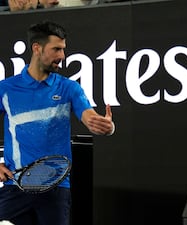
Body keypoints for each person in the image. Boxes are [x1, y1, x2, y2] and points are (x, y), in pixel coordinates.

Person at [0, 21, 115, 225]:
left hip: (56, 189)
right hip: (14, 188)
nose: (62, 56)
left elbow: (89, 116)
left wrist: (105, 126)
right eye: (56, 49)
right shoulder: (6, 89)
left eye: (63, 49)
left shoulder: (69, 88)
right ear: (37, 48)